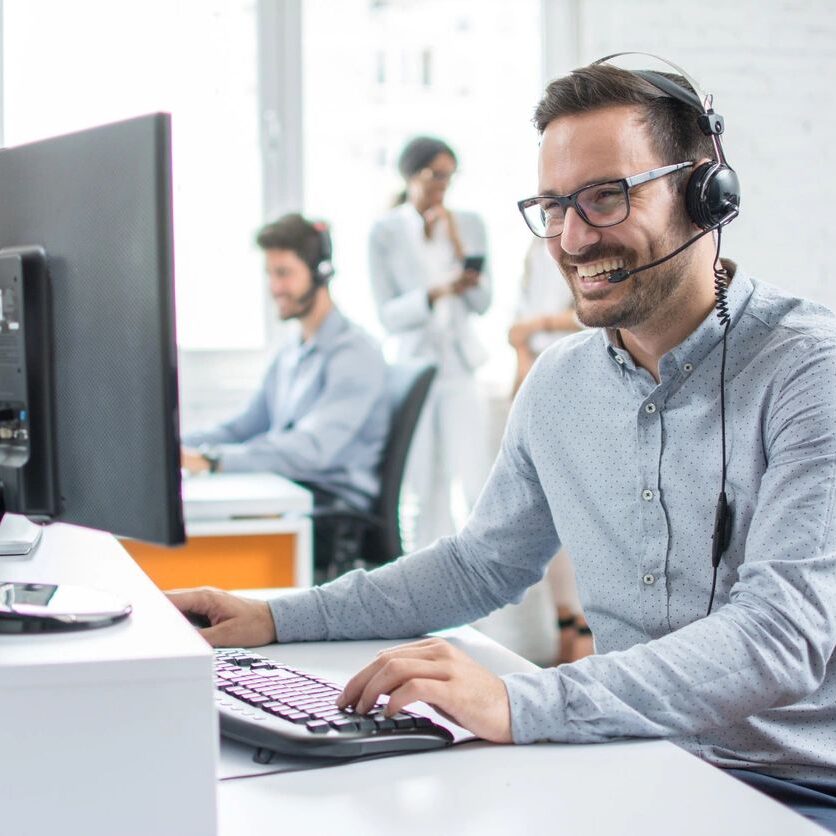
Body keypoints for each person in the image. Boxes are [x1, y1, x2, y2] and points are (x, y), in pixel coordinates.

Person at [169, 62, 836, 831]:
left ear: (705, 190)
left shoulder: (805, 369)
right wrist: (275, 618)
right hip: (630, 759)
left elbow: (782, 638)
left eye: (606, 196)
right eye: (553, 206)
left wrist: (520, 699)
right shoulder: (559, 385)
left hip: (790, 790)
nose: (573, 238)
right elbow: (479, 564)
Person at [181, 213, 389, 514]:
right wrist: (175, 447)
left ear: (321, 272)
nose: (274, 287)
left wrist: (211, 460)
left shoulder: (354, 354)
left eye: (284, 273)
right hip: (291, 491)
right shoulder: (291, 351)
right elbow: (242, 428)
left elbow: (312, 448)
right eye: (270, 274)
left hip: (332, 509)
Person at [367, 136, 492, 549]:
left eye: (450, 176)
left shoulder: (469, 223)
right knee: (422, 486)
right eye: (436, 175)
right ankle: (422, 585)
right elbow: (388, 315)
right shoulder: (385, 232)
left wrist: (459, 248)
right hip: (415, 369)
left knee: (475, 481)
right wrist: (437, 291)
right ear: (411, 174)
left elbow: (482, 301)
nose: (444, 185)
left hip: (460, 367)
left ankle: (477, 585)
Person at [508, 238, 590, 663]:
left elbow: (592, 317)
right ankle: (567, 628)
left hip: (578, 385)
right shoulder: (533, 254)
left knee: (581, 518)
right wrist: (523, 365)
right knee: (551, 522)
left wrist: (538, 325)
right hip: (541, 384)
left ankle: (584, 632)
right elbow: (518, 330)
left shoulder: (586, 247)